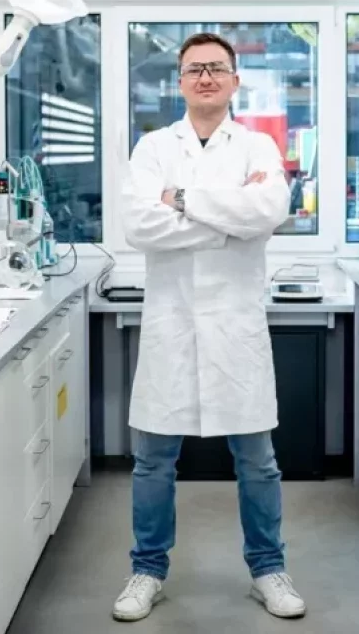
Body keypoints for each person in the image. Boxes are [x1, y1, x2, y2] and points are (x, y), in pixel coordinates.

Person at [113, 32, 306, 622]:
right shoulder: (152, 147)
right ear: (179, 81)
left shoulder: (257, 147)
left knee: (258, 461)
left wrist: (181, 199)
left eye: (216, 69)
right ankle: (147, 571)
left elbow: (267, 212)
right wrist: (227, 219)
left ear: (234, 80)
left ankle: (268, 569)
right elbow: (138, 228)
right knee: (151, 463)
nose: (205, 78)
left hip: (233, 327)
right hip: (171, 325)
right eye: (194, 69)